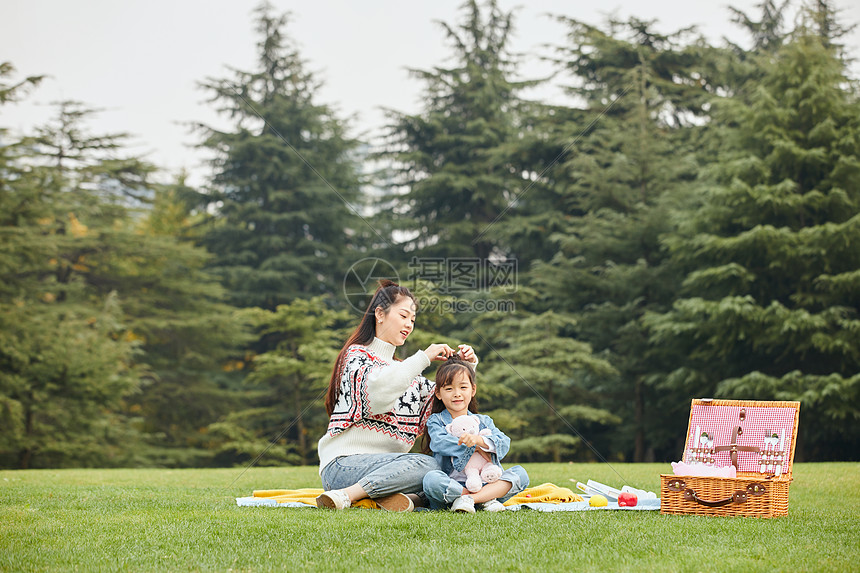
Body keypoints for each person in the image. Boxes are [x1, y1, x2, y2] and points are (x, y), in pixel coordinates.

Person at [316, 280, 478, 512]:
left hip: (391, 470)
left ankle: (402, 499)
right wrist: (424, 357)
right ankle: (345, 495)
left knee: (443, 468)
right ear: (379, 314)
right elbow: (379, 393)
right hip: (343, 467)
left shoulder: (405, 372)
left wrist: (468, 367)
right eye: (403, 316)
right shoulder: (357, 357)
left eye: (412, 320)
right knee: (428, 465)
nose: (409, 325)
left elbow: (449, 401)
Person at [421, 357, 529, 513]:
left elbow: (504, 443)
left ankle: (470, 499)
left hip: (487, 482)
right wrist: (475, 447)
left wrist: (479, 440)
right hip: (454, 485)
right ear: (438, 393)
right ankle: (483, 499)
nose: (456, 394)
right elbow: (439, 443)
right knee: (431, 480)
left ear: (473, 390)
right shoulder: (436, 420)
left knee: (521, 474)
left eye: (463, 387)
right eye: (449, 389)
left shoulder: (483, 421)